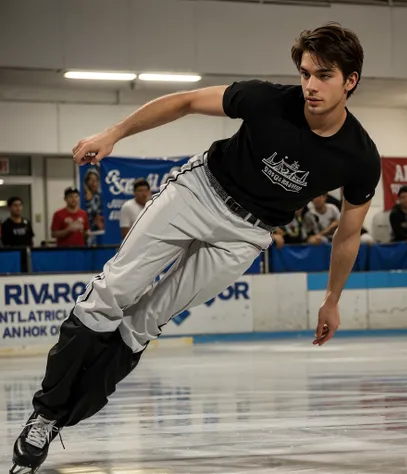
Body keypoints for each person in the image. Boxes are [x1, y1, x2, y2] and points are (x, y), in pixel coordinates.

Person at [11, 22, 381, 473]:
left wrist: (331, 299)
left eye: (323, 75)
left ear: (350, 81)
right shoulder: (267, 100)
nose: (310, 85)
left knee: (146, 321)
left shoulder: (360, 157)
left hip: (247, 234)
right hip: (198, 194)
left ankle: (56, 422)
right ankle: (45, 413)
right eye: (305, 73)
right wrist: (114, 134)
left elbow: (347, 233)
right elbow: (185, 101)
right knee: (110, 295)